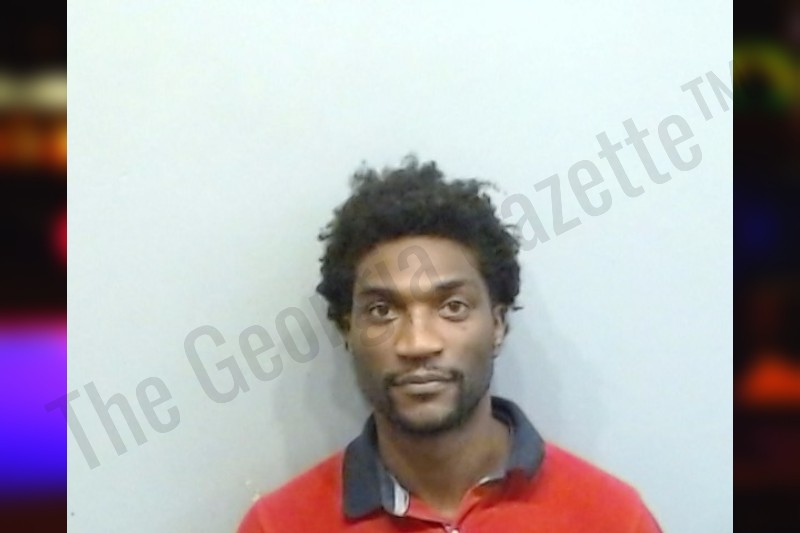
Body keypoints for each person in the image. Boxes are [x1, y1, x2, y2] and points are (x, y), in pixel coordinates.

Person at [238, 157, 662, 532]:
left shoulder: (612, 518)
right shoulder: (278, 526)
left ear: (497, 324)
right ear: (347, 329)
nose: (418, 343)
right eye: (383, 310)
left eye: (452, 307)